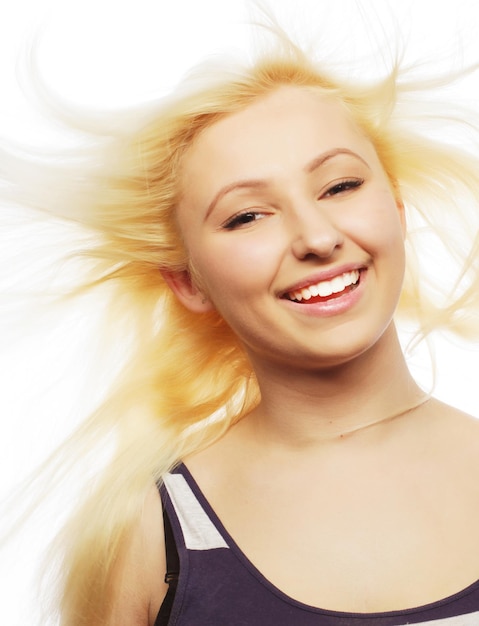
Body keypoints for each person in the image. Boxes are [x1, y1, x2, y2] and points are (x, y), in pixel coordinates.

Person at [4, 10, 479, 626]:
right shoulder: (154, 534)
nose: (316, 236)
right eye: (247, 216)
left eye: (339, 186)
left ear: (396, 208)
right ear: (187, 282)